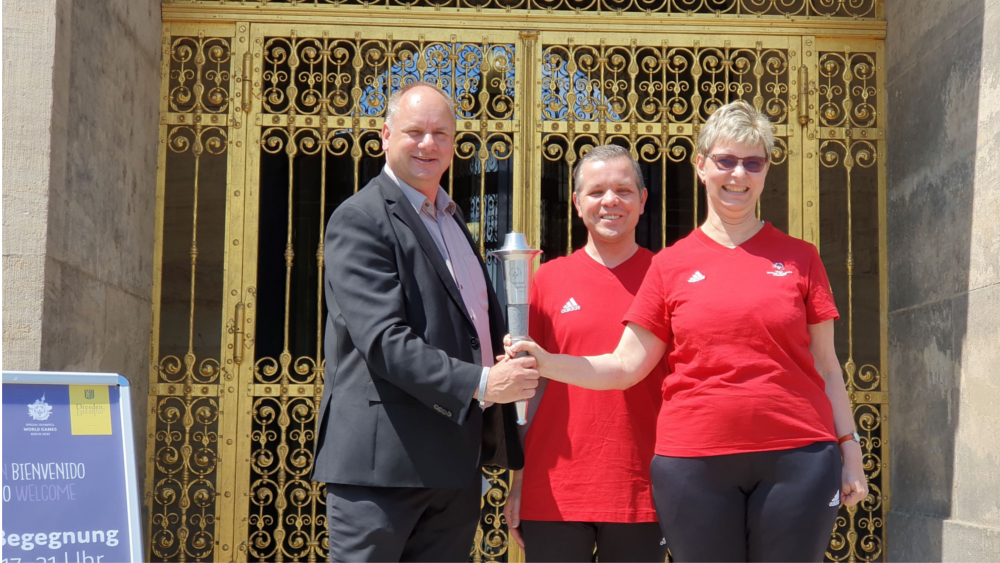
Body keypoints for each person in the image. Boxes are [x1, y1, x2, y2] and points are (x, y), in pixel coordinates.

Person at [509, 101, 870, 562]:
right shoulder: (669, 265)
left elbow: (826, 367)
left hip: (797, 455)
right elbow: (624, 365)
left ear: (764, 171)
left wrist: (850, 449)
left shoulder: (801, 257)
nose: (737, 174)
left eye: (752, 162)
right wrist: (545, 361)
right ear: (701, 166)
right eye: (725, 160)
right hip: (694, 462)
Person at [314, 81, 539, 562]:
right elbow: (384, 340)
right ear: (385, 136)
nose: (427, 144)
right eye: (415, 131)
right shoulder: (361, 218)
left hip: (453, 464)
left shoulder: (452, 219)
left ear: (455, 145)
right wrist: (483, 381)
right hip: (382, 468)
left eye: (440, 133)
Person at [501, 145, 668, 562]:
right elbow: (529, 390)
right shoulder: (548, 281)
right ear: (577, 204)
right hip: (556, 488)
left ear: (643, 201)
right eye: (596, 192)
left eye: (623, 190)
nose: (610, 201)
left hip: (642, 488)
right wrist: (519, 482)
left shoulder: (667, 277)